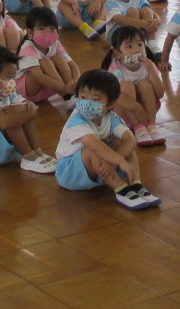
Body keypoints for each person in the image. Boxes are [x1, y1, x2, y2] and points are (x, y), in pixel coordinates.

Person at [52, 70, 160, 210]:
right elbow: (94, 145)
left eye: (95, 99)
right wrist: (118, 161)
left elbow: (130, 139)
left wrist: (115, 160)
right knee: (94, 150)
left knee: (122, 144)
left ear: (110, 104)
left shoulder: (111, 116)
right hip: (69, 173)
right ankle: (121, 190)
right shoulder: (77, 120)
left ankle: (135, 184)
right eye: (83, 96)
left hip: (100, 168)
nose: (87, 103)